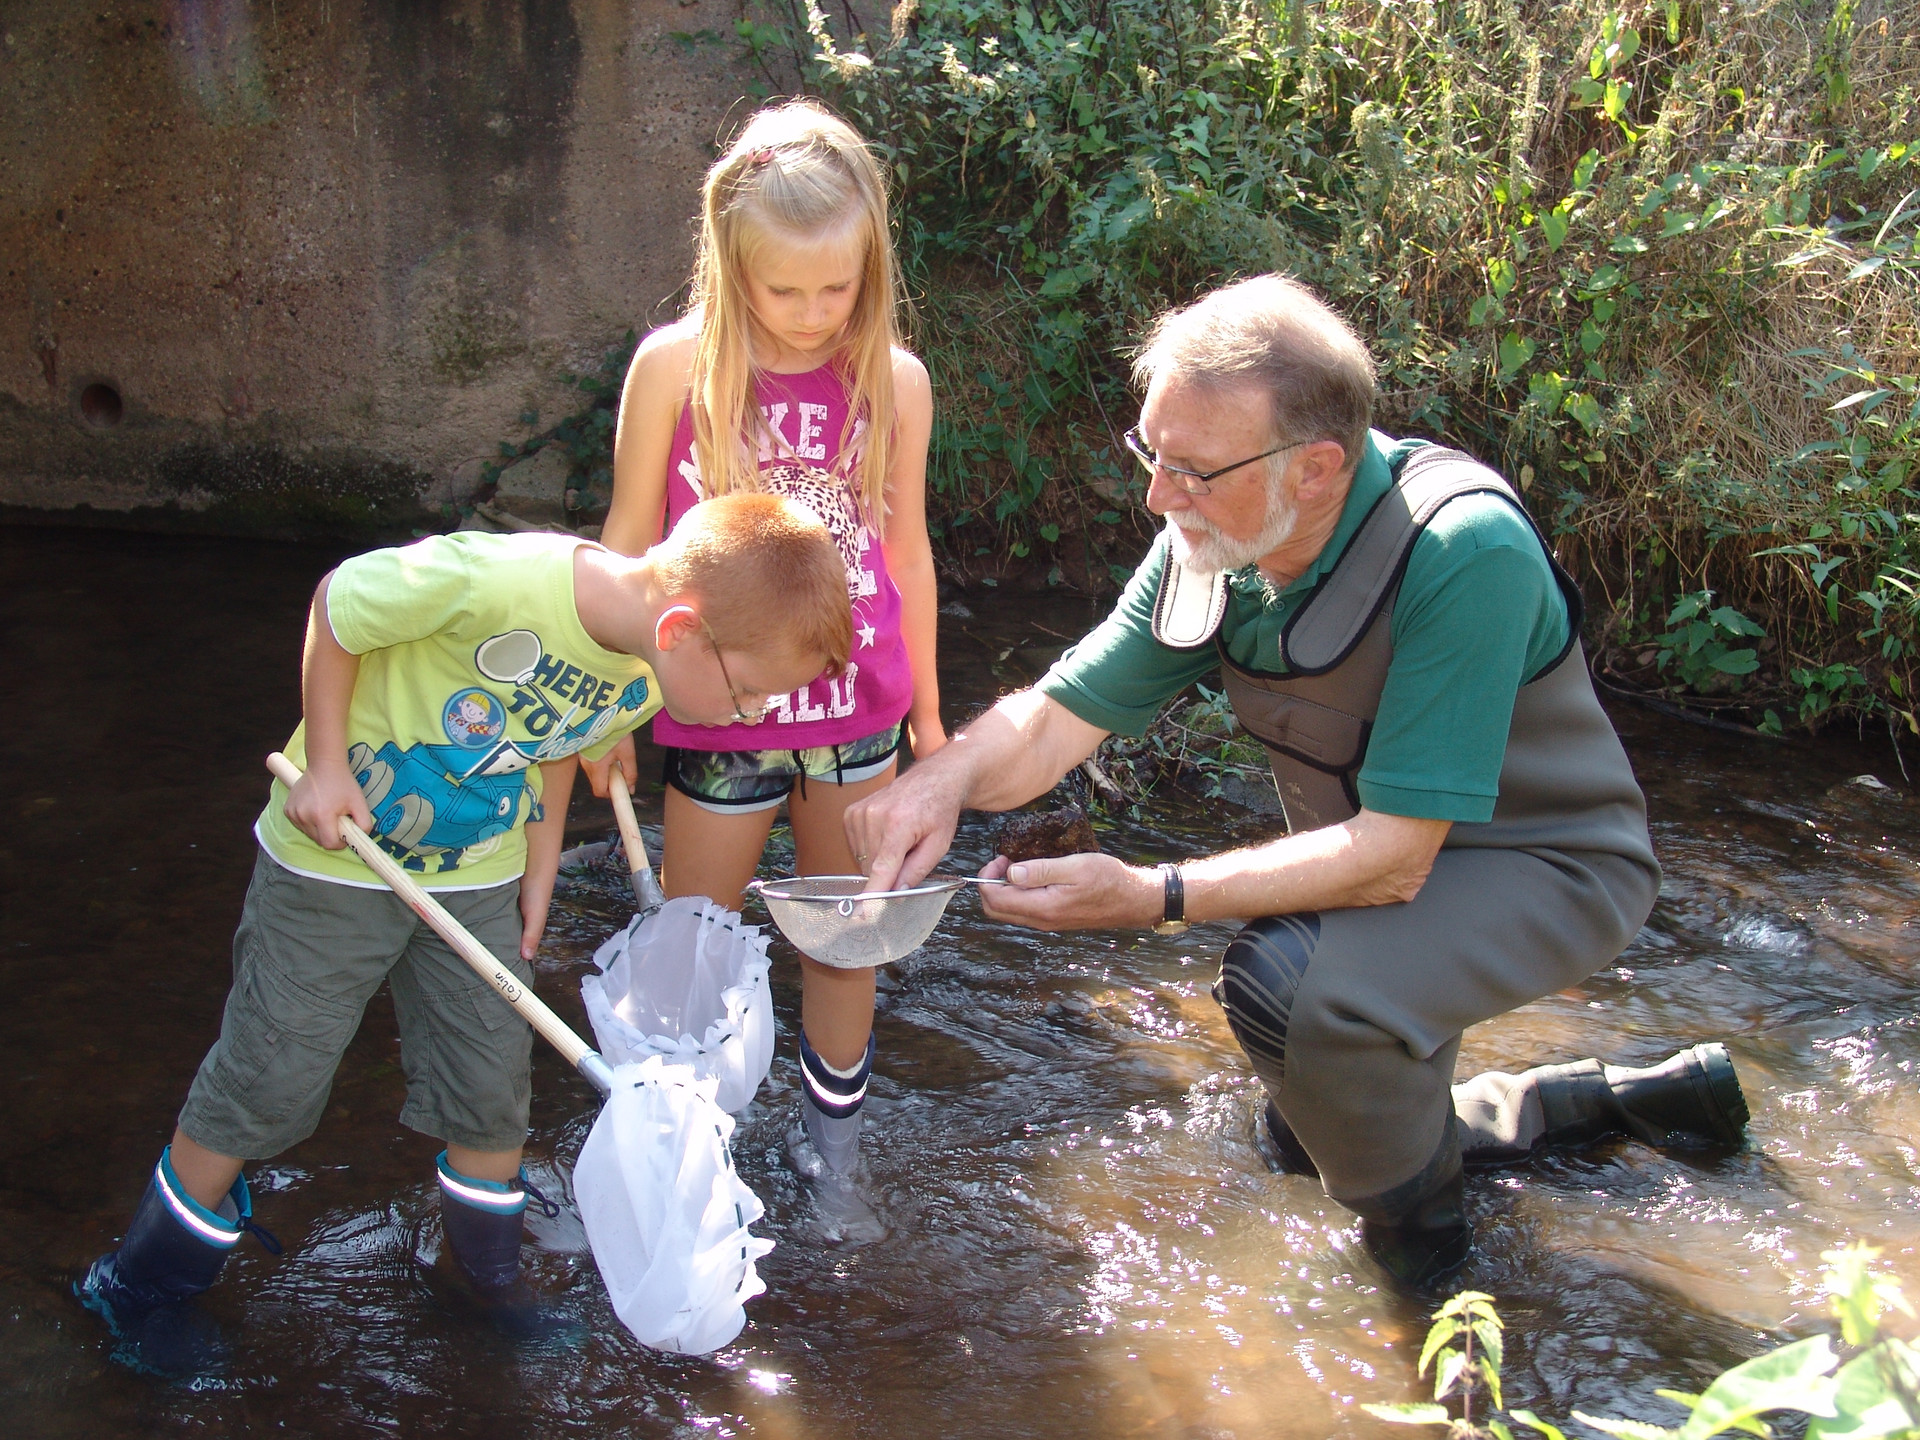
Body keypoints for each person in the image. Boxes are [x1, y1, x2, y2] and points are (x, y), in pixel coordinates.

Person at [846, 273, 1750, 1287]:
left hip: (1542, 866)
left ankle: (1431, 1272)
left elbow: (1397, 861)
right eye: (1152, 454)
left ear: (1316, 468)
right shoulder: (1214, 546)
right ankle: (1620, 1102)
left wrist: (1151, 898)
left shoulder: (1462, 551)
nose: (1158, 496)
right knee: (1300, 1134)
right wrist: (945, 778)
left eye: (1192, 469)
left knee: (1286, 991)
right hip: (1386, 858)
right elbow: (1058, 717)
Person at [80, 494, 851, 1370]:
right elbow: (339, 603)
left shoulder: (643, 669)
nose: (750, 717)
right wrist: (327, 764)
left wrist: (540, 859)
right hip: (336, 863)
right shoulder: (492, 582)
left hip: (475, 877)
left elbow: (558, 740)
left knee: (490, 1086)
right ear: (681, 627)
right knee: (273, 1073)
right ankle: (140, 1287)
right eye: (748, 691)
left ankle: (479, 1282)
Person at [595, 100, 942, 1203]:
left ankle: (832, 1146)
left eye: (834, 288)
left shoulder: (895, 379)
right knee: (694, 935)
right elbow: (624, 550)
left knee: (847, 934)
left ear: (871, 266)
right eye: (779, 289)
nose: (808, 314)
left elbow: (907, 555)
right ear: (727, 261)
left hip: (857, 719)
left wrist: (930, 726)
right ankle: (682, 1148)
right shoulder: (673, 369)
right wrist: (601, 708)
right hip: (719, 716)